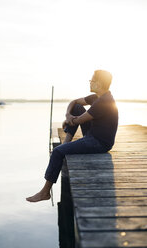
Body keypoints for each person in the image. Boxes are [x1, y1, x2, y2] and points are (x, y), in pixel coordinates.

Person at [26, 69, 118, 203]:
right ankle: (66, 142)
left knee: (58, 152)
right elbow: (74, 102)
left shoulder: (104, 101)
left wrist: (70, 120)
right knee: (76, 108)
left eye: (92, 80)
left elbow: (80, 120)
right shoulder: (97, 97)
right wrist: (68, 115)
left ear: (99, 83)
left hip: (100, 142)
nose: (90, 82)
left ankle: (45, 192)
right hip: (93, 134)